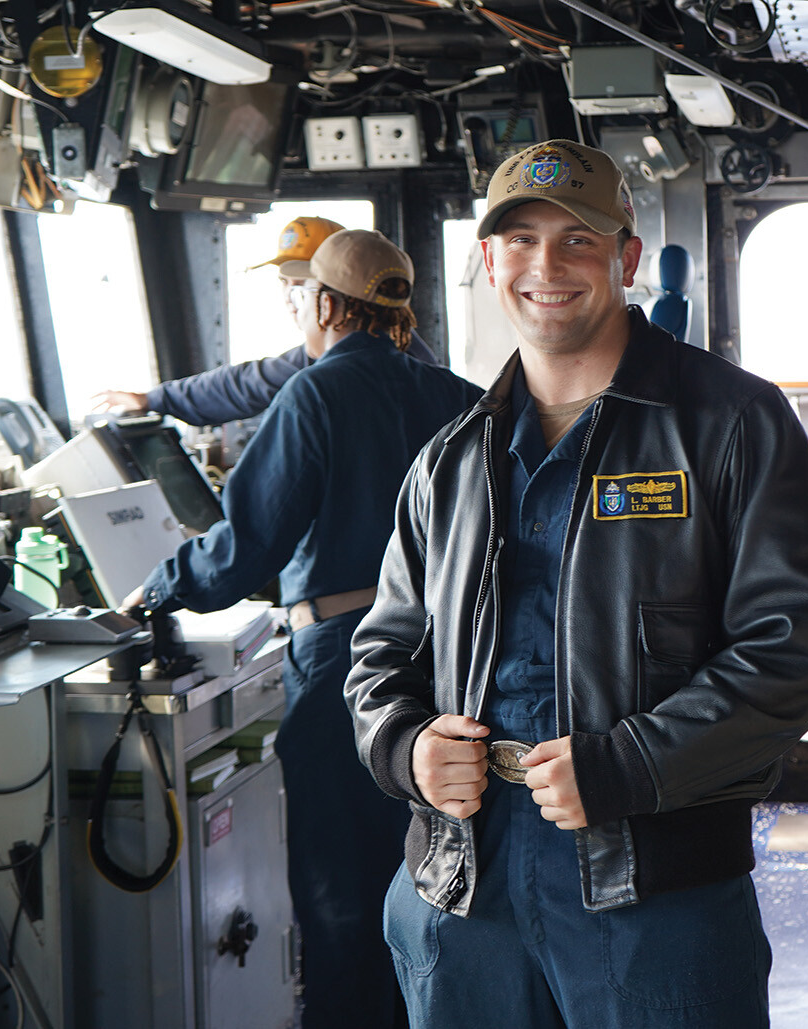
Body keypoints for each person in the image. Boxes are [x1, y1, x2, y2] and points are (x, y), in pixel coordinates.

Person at [344, 140, 808, 1027]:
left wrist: (630, 765)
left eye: (577, 239)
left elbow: (797, 649)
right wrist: (405, 746)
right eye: (521, 240)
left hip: (655, 891)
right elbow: (383, 652)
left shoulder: (732, 423)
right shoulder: (449, 461)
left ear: (627, 258)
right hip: (462, 890)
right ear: (489, 260)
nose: (546, 266)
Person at [125, 229, 483, 1028]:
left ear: (324, 304)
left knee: (340, 889)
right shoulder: (460, 397)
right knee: (431, 878)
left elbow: (245, 549)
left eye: (301, 298)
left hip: (344, 666)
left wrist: (158, 588)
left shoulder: (314, 394)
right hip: (451, 664)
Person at [94, 215, 439, 424]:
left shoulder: (341, 376)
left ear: (334, 295)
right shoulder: (332, 358)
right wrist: (155, 399)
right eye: (284, 283)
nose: (290, 299)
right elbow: (249, 383)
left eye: (301, 286)